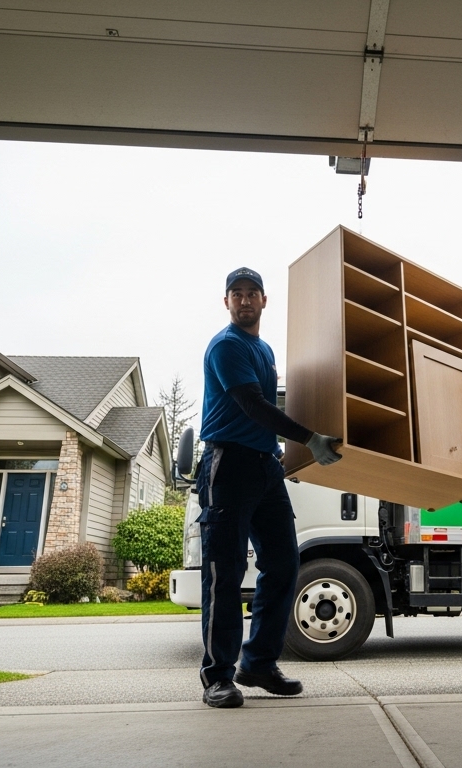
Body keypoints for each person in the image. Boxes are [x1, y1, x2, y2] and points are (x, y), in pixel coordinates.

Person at [196, 267, 343, 708]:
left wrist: (289, 453)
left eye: (251, 293)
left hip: (265, 467)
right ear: (226, 302)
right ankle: (218, 676)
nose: (244, 300)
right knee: (224, 572)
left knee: (283, 563)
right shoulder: (227, 346)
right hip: (228, 466)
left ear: (265, 301)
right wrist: (310, 439)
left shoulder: (263, 349)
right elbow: (252, 405)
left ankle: (258, 662)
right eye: (235, 294)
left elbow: (274, 407)